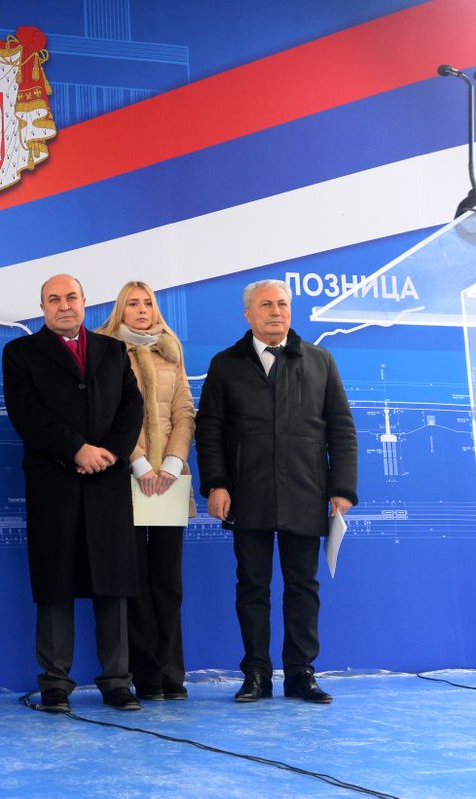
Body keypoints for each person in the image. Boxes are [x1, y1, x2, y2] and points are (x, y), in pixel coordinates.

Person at [195, 279, 357, 704]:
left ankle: (301, 672)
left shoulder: (320, 361)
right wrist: (216, 483)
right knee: (252, 585)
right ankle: (256, 675)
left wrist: (342, 489)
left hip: (306, 490)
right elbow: (209, 430)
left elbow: (342, 429)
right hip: (246, 493)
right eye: (266, 304)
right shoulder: (225, 363)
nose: (276, 311)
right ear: (248, 314)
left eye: (283, 304)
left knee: (303, 585)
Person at [2, 274, 145, 713]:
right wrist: (75, 450)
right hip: (55, 483)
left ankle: (117, 681)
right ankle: (55, 684)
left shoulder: (113, 350)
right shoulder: (21, 353)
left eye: (71, 297)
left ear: (85, 302)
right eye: (53, 299)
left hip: (107, 482)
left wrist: (110, 454)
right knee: (55, 585)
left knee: (112, 584)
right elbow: (26, 414)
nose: (64, 305)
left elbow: (132, 407)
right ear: (42, 307)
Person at [97, 281, 196, 702]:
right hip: (126, 478)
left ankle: (173, 674)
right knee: (134, 581)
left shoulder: (170, 351)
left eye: (147, 303)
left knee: (168, 581)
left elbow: (184, 412)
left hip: (170, 480)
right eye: (132, 304)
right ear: (120, 311)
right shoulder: (107, 352)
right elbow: (108, 414)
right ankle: (146, 675)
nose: (141, 310)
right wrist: (138, 464)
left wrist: (171, 465)